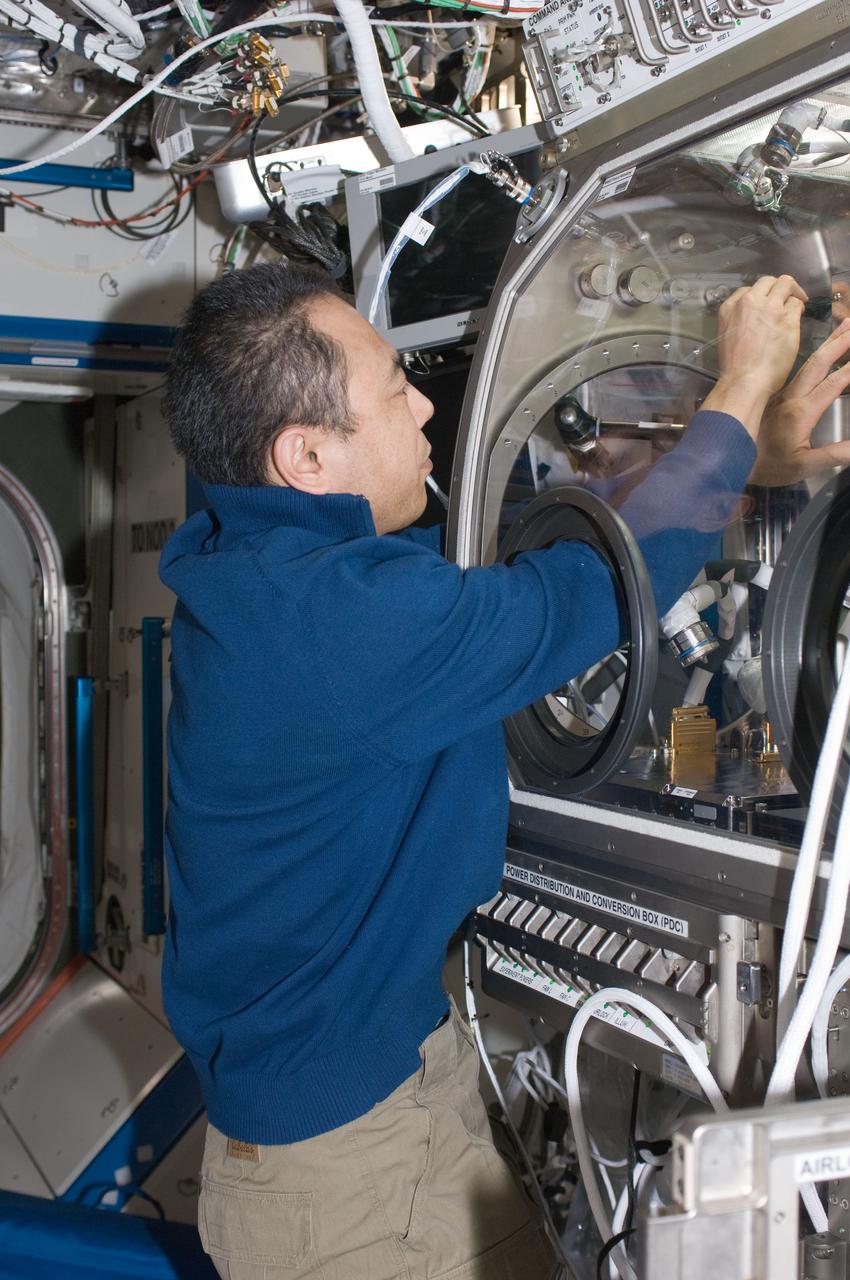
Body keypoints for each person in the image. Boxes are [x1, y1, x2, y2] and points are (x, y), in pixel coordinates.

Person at [160, 264, 850, 1280]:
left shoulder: (265, 570)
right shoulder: (336, 627)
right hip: (340, 1177)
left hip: (374, 1095)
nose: (426, 403)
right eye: (396, 388)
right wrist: (740, 381)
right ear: (305, 452)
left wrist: (741, 460)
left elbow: (526, 557)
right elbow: (586, 586)